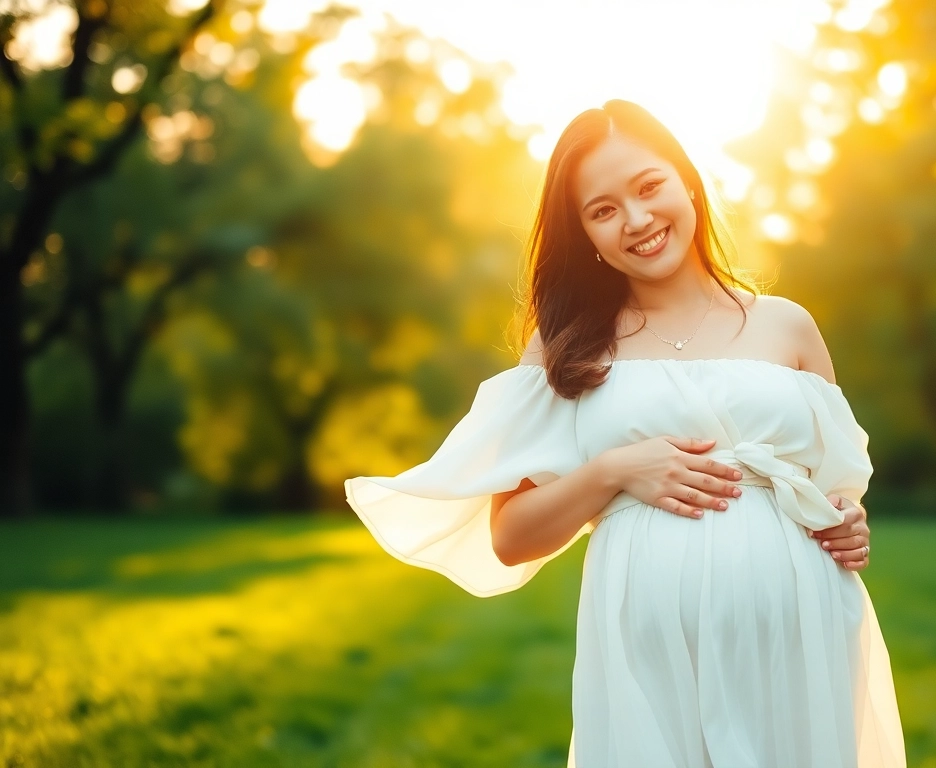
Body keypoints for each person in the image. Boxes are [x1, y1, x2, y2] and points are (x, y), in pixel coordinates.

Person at [346, 99, 906, 767]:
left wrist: (850, 519)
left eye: (649, 187)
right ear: (584, 234)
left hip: (799, 634)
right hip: (649, 652)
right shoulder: (567, 352)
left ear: (687, 180)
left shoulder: (789, 326)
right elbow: (511, 537)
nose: (637, 220)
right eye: (603, 209)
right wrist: (612, 471)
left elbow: (836, 490)